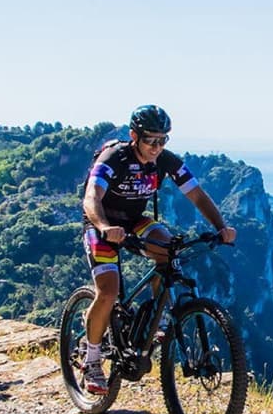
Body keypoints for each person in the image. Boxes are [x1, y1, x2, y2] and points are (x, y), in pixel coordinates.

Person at [80, 104, 236, 394]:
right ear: (134, 136)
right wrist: (103, 227)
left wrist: (220, 227)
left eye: (163, 140)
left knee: (168, 249)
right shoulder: (114, 158)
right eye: (151, 140)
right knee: (108, 291)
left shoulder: (167, 161)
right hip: (102, 222)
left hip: (136, 220)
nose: (157, 146)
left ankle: (156, 319)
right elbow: (91, 198)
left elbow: (198, 195)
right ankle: (91, 359)